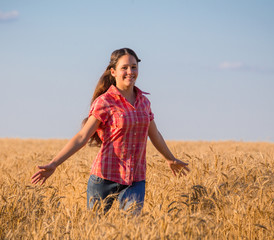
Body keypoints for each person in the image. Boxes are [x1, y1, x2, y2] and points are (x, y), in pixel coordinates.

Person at [31, 48, 190, 214]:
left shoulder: (144, 102)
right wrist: (54, 163)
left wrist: (170, 159)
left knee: (131, 229)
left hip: (135, 179)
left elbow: (155, 134)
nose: (130, 72)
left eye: (134, 67)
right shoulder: (105, 101)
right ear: (113, 72)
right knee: (95, 229)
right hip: (104, 177)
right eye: (124, 68)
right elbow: (82, 136)